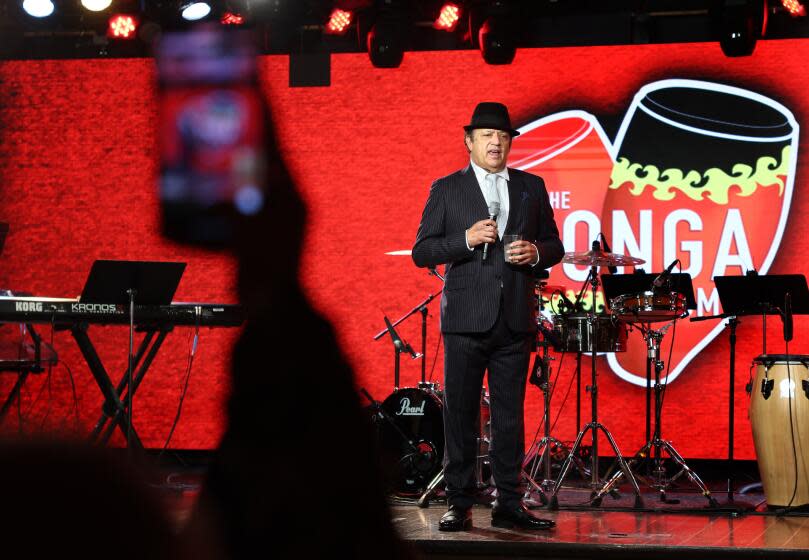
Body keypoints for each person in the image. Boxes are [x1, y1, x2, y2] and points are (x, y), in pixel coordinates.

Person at [412, 101, 564, 531]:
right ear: (469, 142)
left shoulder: (531, 187)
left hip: (514, 319)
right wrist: (464, 238)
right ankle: (459, 502)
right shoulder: (447, 189)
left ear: (510, 142)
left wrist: (536, 252)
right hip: (464, 319)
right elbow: (422, 251)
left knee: (510, 415)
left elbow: (554, 243)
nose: (495, 142)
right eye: (486, 136)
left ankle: (509, 503)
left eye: (502, 136)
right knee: (459, 413)